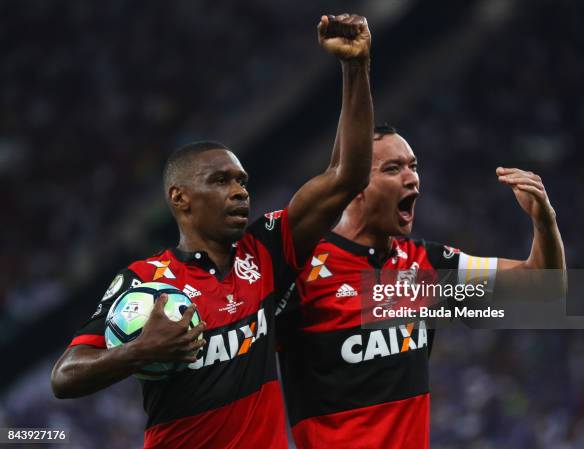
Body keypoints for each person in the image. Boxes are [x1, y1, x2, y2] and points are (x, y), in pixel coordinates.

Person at [51, 14, 373, 449]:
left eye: (241, 180)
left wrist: (356, 67)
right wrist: (139, 351)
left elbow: (347, 177)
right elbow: (64, 376)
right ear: (180, 198)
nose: (240, 192)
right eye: (221, 181)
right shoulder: (146, 284)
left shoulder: (268, 250)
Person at [277, 124, 566, 449]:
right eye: (392, 168)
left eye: (413, 166)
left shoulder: (427, 264)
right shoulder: (303, 271)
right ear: (354, 184)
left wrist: (544, 221)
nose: (411, 178)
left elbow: (544, 289)